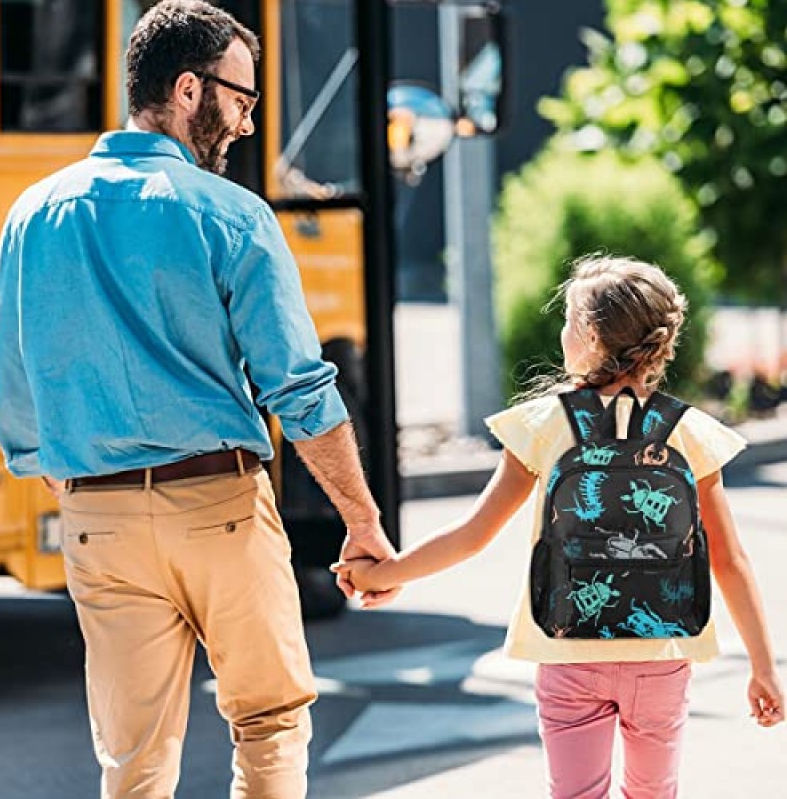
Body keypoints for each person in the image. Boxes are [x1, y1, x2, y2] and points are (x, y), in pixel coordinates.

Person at [0, 1, 396, 797]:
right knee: (270, 722)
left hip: (96, 520)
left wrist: (82, 487)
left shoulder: (32, 214)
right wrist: (361, 520)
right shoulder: (230, 214)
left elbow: (16, 384)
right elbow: (299, 387)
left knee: (133, 758)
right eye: (241, 100)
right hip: (218, 506)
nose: (245, 124)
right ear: (187, 88)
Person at [334, 255, 785, 798]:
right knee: (654, 792)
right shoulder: (686, 431)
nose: (564, 330)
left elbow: (474, 532)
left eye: (570, 320)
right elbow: (729, 560)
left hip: (568, 649)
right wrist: (763, 667)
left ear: (591, 336)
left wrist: (385, 572)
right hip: (661, 656)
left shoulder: (545, 423)